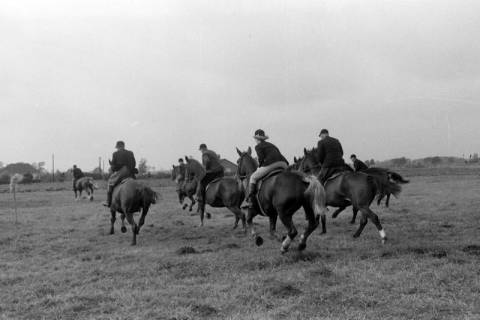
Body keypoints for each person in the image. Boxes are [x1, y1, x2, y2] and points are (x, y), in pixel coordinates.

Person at [246, 129, 289, 208]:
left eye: (255, 138)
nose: (255, 140)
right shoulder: (271, 145)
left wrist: (259, 167)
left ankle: (251, 201)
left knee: (253, 177)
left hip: (272, 163)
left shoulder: (258, 146)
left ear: (257, 139)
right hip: (283, 163)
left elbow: (261, 159)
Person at [103, 141, 137, 207]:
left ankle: (108, 201)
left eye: (117, 148)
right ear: (124, 146)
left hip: (122, 171)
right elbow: (134, 163)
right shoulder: (130, 152)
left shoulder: (115, 154)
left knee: (110, 182)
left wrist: (113, 168)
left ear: (118, 147)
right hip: (130, 171)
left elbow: (113, 165)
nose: (117, 149)